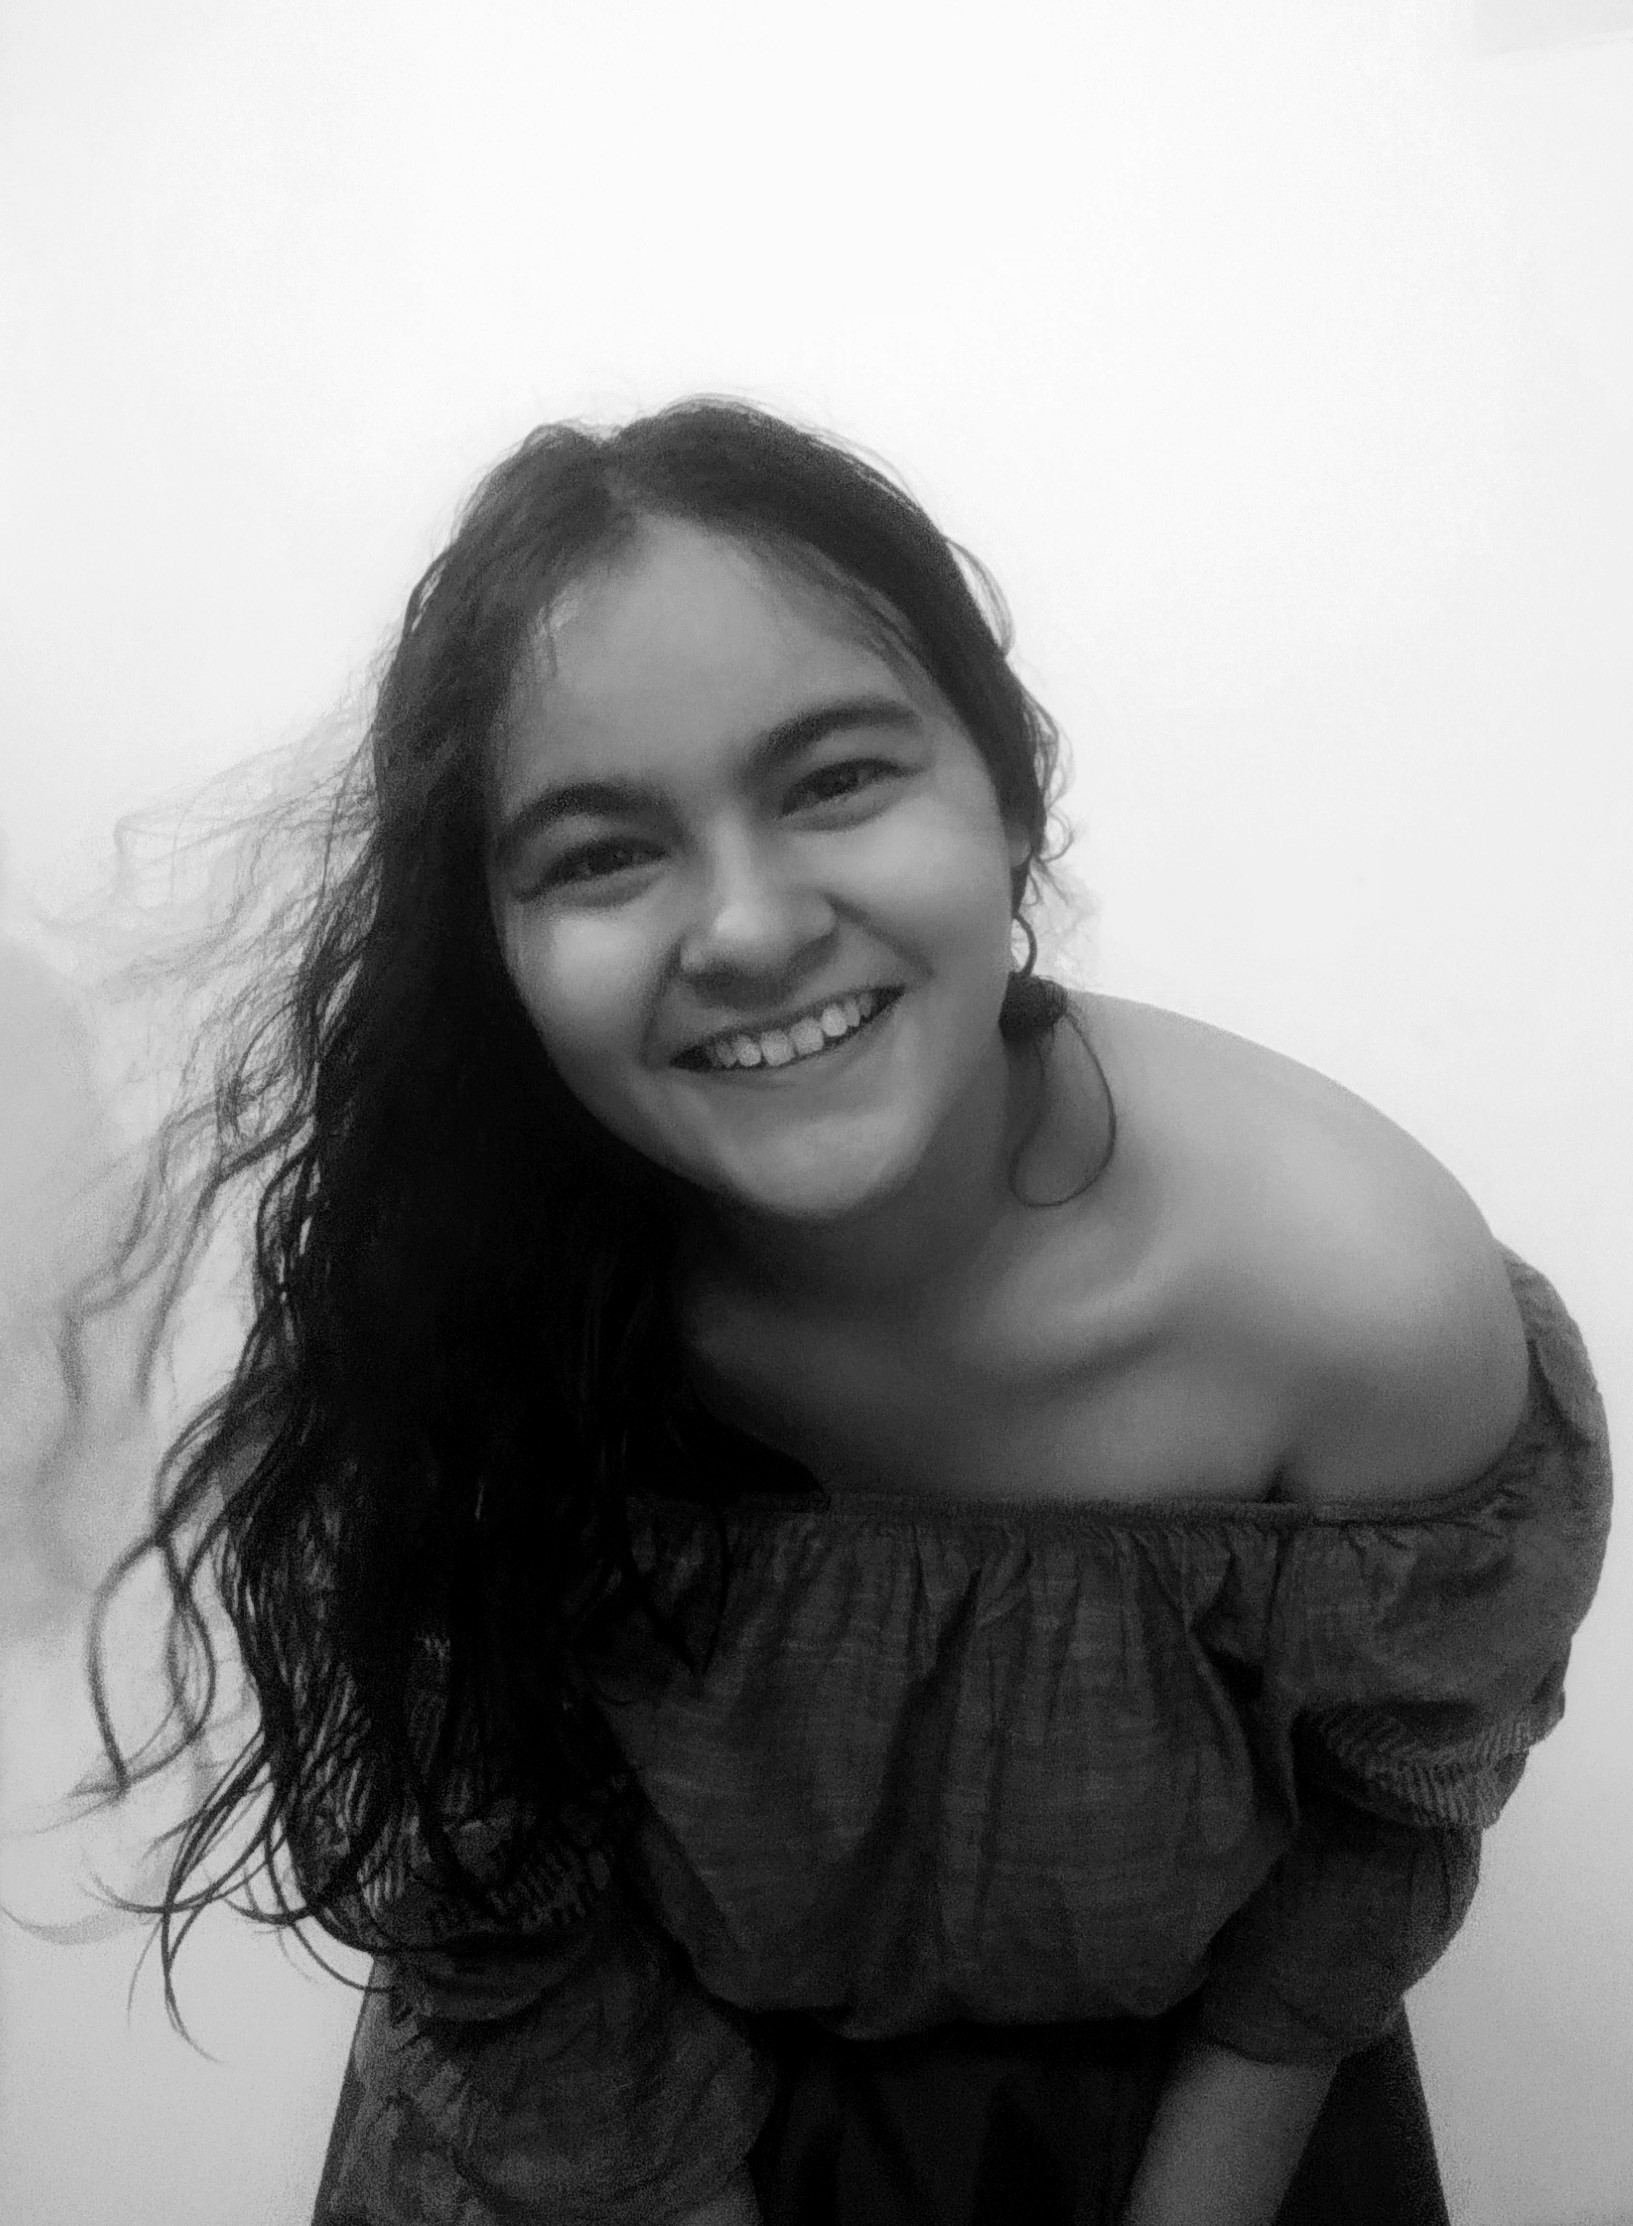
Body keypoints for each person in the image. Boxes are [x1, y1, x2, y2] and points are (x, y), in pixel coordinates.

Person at [79, 397, 1613, 2226]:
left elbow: (1374, 1843)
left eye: (832, 781)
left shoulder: (1358, 1298)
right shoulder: (448, 1294)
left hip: (1172, 2133)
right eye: (598, 852)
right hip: (606, 2139)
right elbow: (502, 1928)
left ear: (1009, 796)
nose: (743, 929)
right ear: (493, 939)